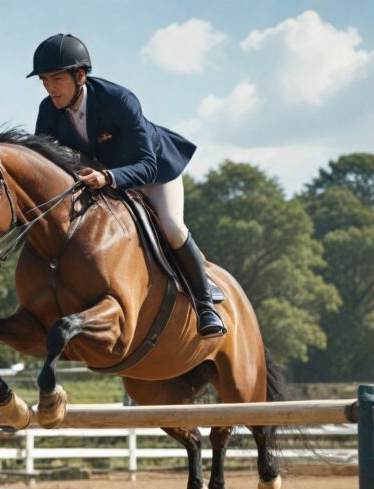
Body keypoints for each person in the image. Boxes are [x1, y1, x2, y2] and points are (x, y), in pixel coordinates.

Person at [29, 33, 226, 337]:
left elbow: (146, 165)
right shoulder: (48, 111)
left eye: (56, 78)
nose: (50, 88)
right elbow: (45, 166)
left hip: (154, 172)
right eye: (44, 80)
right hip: (103, 179)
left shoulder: (118, 100)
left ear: (80, 75)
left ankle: (205, 304)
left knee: (171, 226)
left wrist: (108, 177)